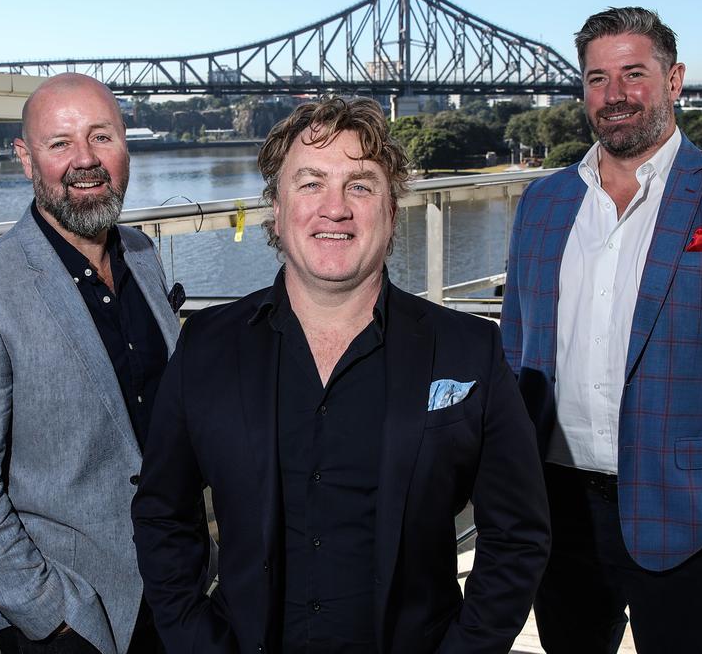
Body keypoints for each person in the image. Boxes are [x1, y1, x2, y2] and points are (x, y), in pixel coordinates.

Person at [132, 96, 550, 654]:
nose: (335, 208)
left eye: (360, 185)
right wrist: (197, 641)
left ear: (392, 212)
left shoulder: (469, 349)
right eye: (309, 184)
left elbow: (517, 536)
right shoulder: (207, 344)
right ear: (276, 213)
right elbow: (163, 513)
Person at [500, 7, 702, 653]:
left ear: (674, 81)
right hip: (556, 511)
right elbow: (513, 353)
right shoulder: (543, 203)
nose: (615, 95)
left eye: (634, 74)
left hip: (690, 520)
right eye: (597, 78)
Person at [0, 73, 185, 654]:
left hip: (175, 585)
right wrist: (50, 618)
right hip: (74, 612)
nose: (84, 161)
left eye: (102, 137)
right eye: (60, 143)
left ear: (125, 145)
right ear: (25, 158)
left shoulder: (142, 256)